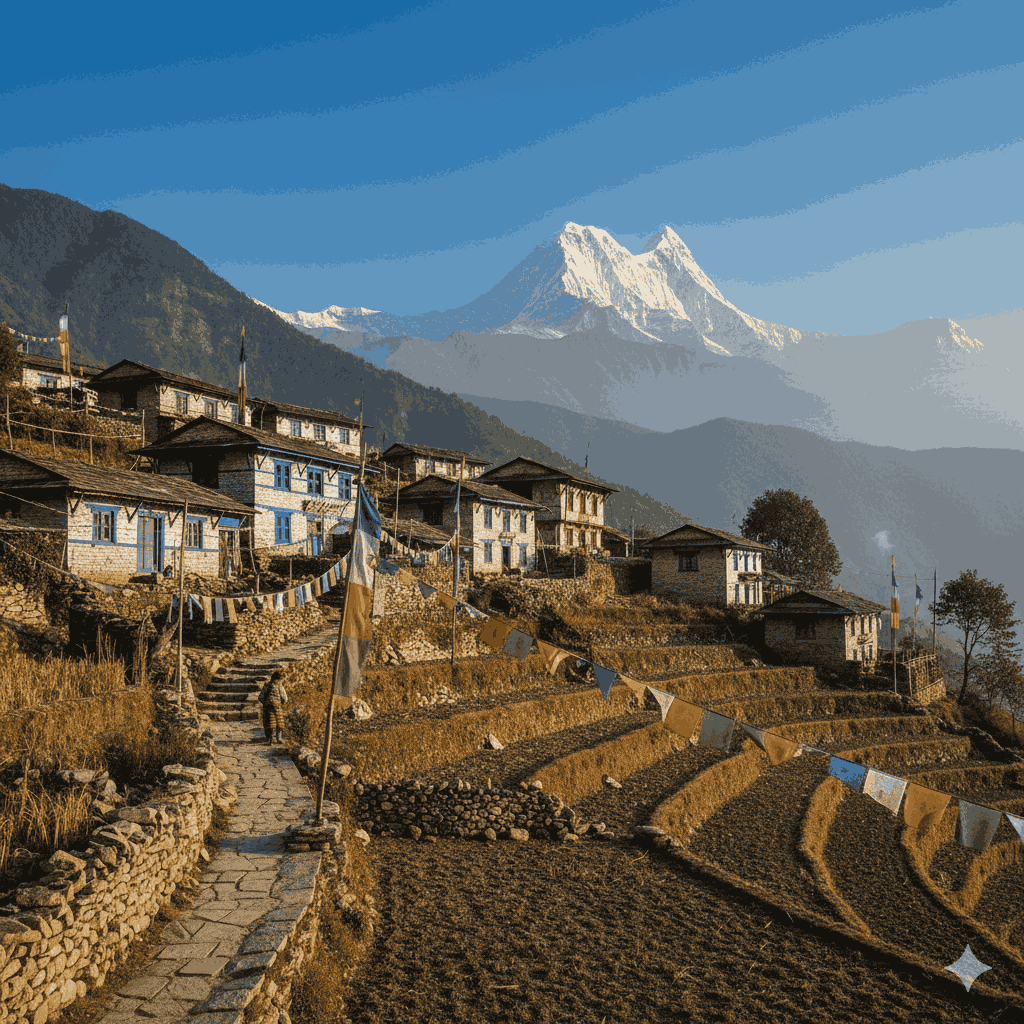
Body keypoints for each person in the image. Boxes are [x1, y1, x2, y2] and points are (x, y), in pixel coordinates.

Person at [258, 671, 288, 744]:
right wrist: (280, 703)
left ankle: (270, 739)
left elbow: (260, 697)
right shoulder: (279, 686)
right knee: (279, 723)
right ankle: (279, 738)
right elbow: (285, 698)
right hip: (277, 707)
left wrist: (265, 703)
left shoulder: (266, 685)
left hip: (267, 707)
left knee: (269, 723)